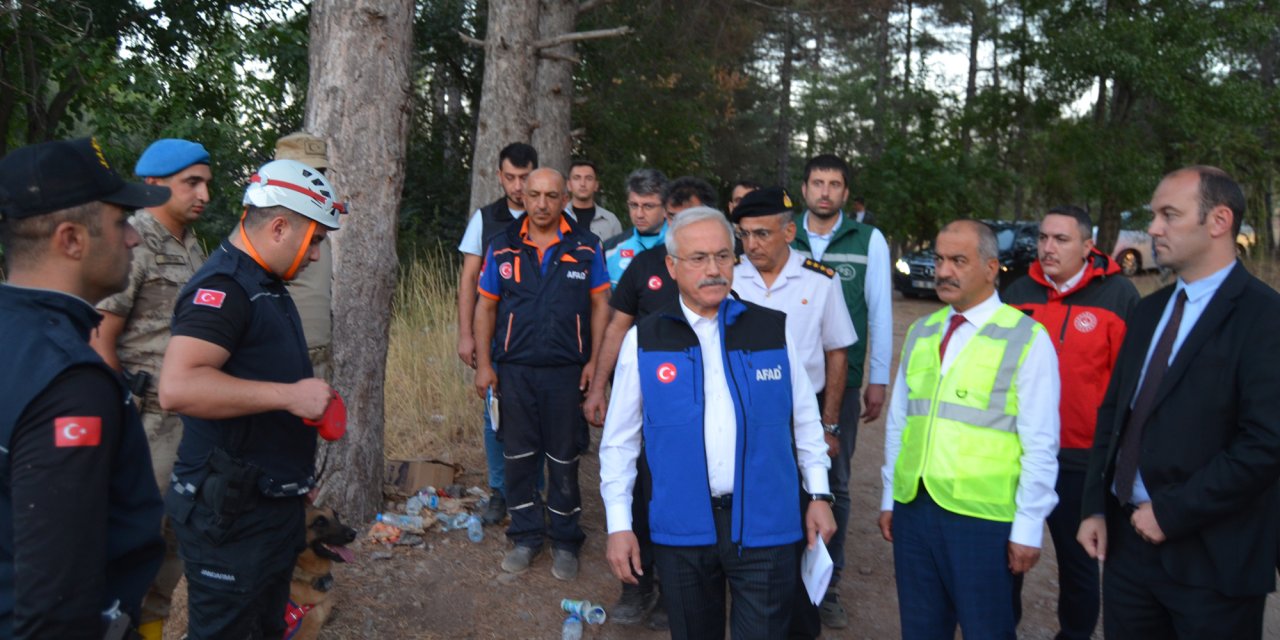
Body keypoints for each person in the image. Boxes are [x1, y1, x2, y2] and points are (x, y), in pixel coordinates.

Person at [600, 206, 836, 639]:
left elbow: (805, 419)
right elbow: (619, 443)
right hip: (681, 528)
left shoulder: (770, 331)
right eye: (698, 258)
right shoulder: (644, 341)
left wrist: (819, 493)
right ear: (672, 266)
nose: (713, 269)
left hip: (766, 524)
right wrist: (619, 524)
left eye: (723, 256)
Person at [1077, 166, 1280, 639]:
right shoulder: (1149, 310)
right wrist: (1095, 506)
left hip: (1214, 558)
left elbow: (1266, 443)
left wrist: (1172, 512)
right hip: (1128, 550)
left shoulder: (1265, 317)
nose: (1153, 229)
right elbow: (1115, 414)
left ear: (1219, 221)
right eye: (1154, 215)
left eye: (1169, 215)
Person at [157, 159, 344, 639]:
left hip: (269, 507)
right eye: (315, 240)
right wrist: (290, 396)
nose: (316, 256)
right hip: (230, 519)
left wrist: (293, 479)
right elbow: (178, 387)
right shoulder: (223, 287)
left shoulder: (266, 283)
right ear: (279, 227)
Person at [0, 137, 167, 638]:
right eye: (121, 222)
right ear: (71, 239)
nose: (133, 239)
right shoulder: (70, 383)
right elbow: (56, 607)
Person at [879, 219, 1060, 640]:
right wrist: (890, 497)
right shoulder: (922, 331)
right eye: (940, 259)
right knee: (921, 630)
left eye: (958, 261)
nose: (943, 271)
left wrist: (1028, 525)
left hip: (983, 521)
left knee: (987, 630)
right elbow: (899, 421)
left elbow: (1040, 442)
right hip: (915, 510)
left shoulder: (1027, 338)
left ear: (991, 268)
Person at [87, 137, 210, 640]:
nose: (204, 194)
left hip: (188, 420)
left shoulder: (192, 245)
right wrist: (119, 419)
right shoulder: (133, 240)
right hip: (144, 421)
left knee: (173, 542)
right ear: (154, 183)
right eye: (191, 183)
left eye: (206, 183)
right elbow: (100, 339)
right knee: (136, 541)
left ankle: (152, 630)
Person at [583, 175, 717, 628]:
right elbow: (617, 327)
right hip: (650, 401)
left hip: (706, 408)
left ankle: (676, 591)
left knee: (695, 494)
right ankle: (636, 586)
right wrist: (598, 387)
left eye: (691, 218)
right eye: (675, 218)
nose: (680, 227)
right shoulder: (644, 265)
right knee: (642, 490)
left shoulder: (726, 271)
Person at [1003, 205, 1138, 639]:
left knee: (1078, 562)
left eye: (1061, 239)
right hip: (1017, 452)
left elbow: (1131, 384)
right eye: (1043, 238)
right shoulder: (1018, 290)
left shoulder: (1118, 296)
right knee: (1007, 555)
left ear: (1087, 245)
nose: (1048, 247)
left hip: (1082, 458)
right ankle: (1002, 628)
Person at [473, 168, 610, 581]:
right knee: (518, 457)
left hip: (567, 371)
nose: (542, 204)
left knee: (564, 458)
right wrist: (485, 364)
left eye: (551, 196)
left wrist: (595, 361)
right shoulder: (502, 245)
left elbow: (601, 306)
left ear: (565, 198)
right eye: (534, 195)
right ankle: (526, 536)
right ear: (524, 197)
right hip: (514, 371)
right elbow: (486, 307)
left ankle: (566, 540)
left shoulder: (586, 246)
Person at [791, 153, 893, 628]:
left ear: (846, 194)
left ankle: (828, 584)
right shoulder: (785, 232)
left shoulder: (868, 240)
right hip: (785, 379)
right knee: (785, 475)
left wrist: (877, 379)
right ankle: (784, 574)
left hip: (842, 382)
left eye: (834, 184)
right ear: (805, 189)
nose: (825, 192)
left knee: (835, 480)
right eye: (818, 183)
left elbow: (880, 311)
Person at [456, 142, 538, 526]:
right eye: (511, 177)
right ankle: (499, 491)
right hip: (494, 334)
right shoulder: (485, 219)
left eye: (525, 177)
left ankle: (535, 491)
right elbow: (468, 280)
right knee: (495, 414)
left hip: (541, 335)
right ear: (499, 177)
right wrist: (466, 335)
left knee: (538, 414)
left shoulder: (555, 216)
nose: (518, 186)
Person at [275, 131, 335, 381]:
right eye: (306, 173)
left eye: (320, 173)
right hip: (282, 359)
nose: (316, 181)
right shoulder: (269, 229)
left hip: (319, 359)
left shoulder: (317, 227)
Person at [603, 169, 669, 286]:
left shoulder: (682, 246)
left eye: (648, 206)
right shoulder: (609, 249)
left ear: (665, 208)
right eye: (634, 205)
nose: (639, 214)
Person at [567, 159, 623, 240]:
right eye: (577, 178)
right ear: (569, 185)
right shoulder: (558, 217)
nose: (582, 183)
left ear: (596, 185)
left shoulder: (611, 221)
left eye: (588, 178)